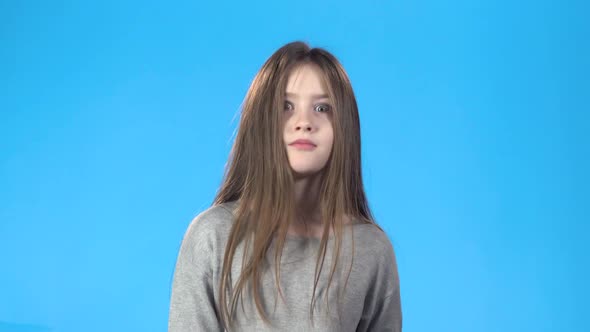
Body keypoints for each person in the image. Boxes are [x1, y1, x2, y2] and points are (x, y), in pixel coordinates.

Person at [168, 41, 402, 331]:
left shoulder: (370, 250)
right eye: (286, 106)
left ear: (345, 126)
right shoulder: (213, 237)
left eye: (322, 107)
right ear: (260, 121)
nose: (304, 122)